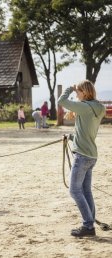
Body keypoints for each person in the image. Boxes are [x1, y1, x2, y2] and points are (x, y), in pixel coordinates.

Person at [58, 80, 105, 237]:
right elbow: (85, 132)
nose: (76, 94)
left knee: (74, 190)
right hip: (91, 155)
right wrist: (71, 137)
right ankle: (89, 224)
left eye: (78, 91)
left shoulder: (84, 107)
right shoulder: (97, 108)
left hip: (83, 156)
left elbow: (61, 101)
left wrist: (68, 88)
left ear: (84, 92)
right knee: (86, 191)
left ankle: (88, 225)